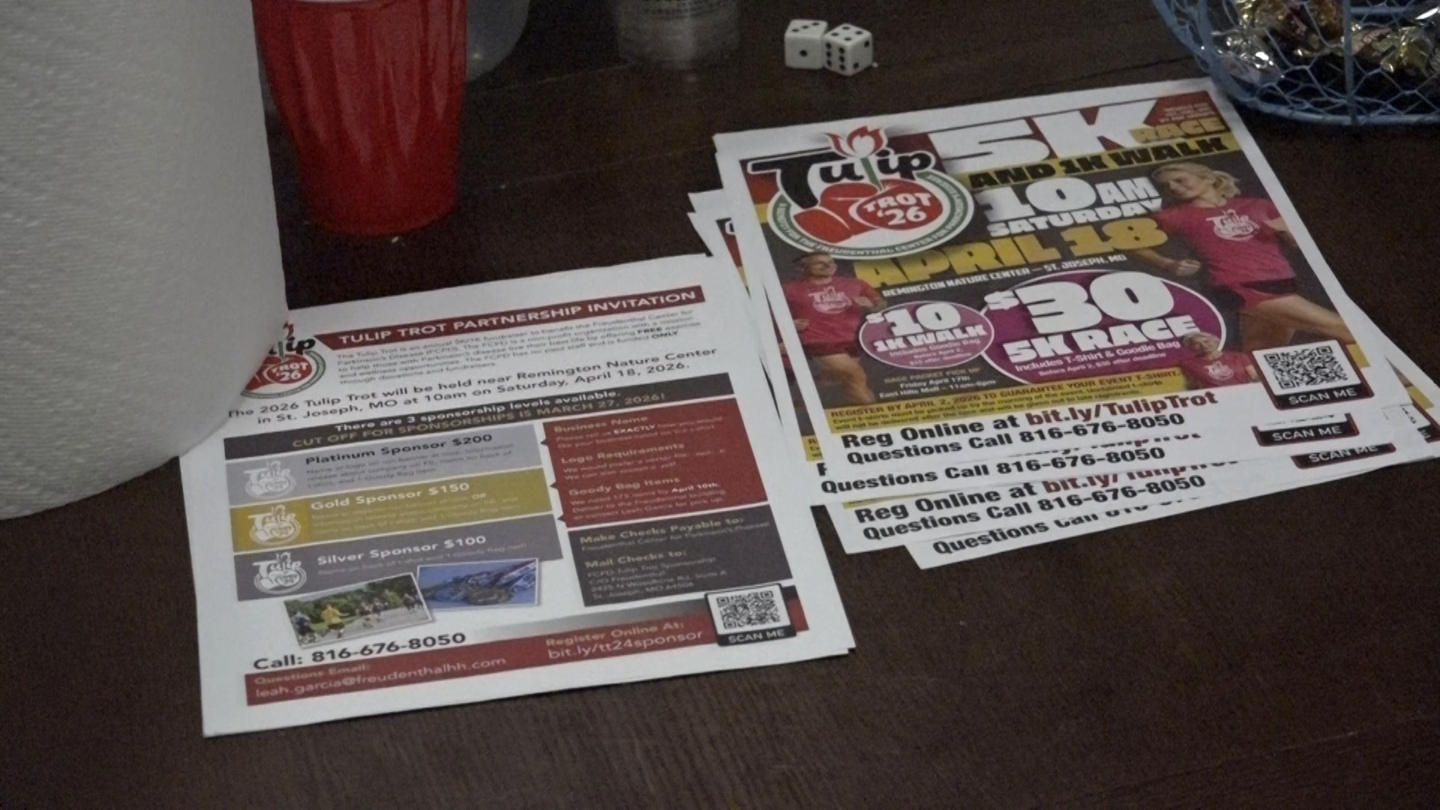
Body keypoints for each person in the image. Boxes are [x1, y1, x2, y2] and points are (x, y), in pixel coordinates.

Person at [1130, 162, 1354, 353]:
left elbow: (1298, 243)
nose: (1173, 187)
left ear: (1208, 178)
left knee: (1263, 354)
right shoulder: (1174, 216)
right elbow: (1127, 241)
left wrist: (1290, 235)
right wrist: (1168, 264)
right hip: (1238, 286)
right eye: (1166, 186)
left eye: (1179, 180)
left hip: (1283, 282)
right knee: (1345, 328)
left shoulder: (1259, 205)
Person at [781, 251, 886, 405]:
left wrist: (872, 306)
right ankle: (874, 414)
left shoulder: (855, 284)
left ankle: (798, 398)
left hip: (854, 339)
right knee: (855, 376)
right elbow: (767, 314)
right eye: (820, 263)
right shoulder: (789, 290)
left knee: (836, 378)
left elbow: (880, 304)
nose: (828, 266)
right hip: (818, 340)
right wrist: (787, 323)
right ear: (802, 268)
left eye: (831, 262)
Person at [1177, 331, 1257, 389]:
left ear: (1214, 340)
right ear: (1191, 347)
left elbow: (1254, 376)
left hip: (1244, 392)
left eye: (1206, 341)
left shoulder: (1238, 356)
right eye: (1196, 344)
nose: (1204, 345)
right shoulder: (1189, 363)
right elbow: (1191, 385)